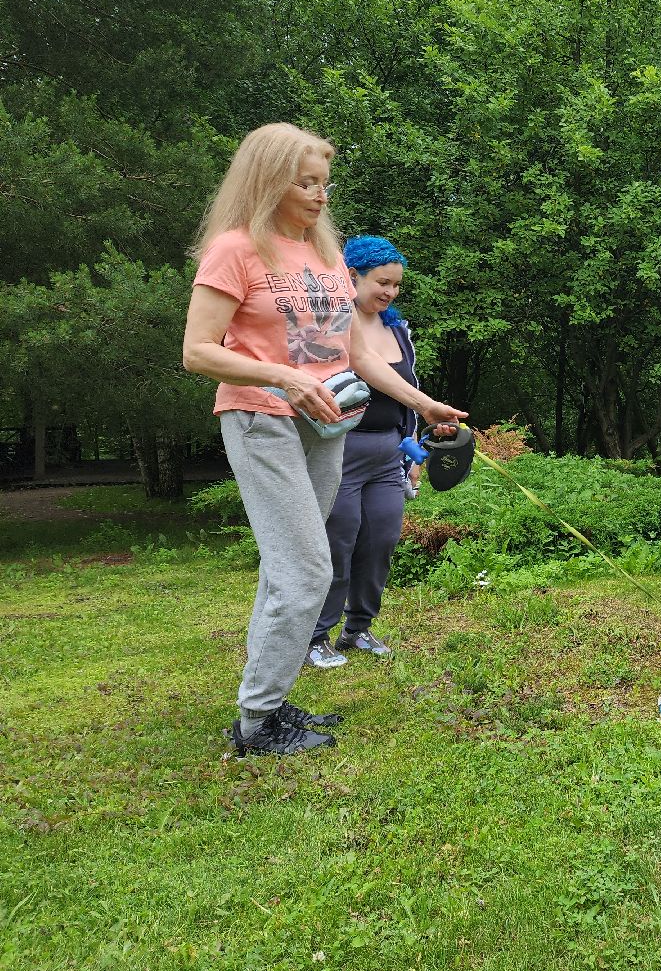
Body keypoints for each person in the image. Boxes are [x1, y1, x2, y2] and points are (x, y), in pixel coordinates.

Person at [182, 123, 466, 756]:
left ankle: (268, 702)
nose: (319, 195)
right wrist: (284, 377)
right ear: (268, 181)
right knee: (308, 568)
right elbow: (197, 351)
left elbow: (355, 353)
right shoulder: (235, 249)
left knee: (287, 570)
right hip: (263, 419)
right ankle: (257, 723)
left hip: (329, 425)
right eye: (305, 182)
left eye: (324, 183)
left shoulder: (327, 255)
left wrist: (421, 403)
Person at [306, 236, 423, 669]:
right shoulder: (329, 323)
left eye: (396, 284)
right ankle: (315, 635)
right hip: (340, 449)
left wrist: (411, 451)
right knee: (338, 542)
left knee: (381, 540)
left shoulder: (398, 330)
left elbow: (409, 394)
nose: (390, 292)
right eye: (382, 282)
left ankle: (357, 628)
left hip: (388, 451)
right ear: (351, 276)